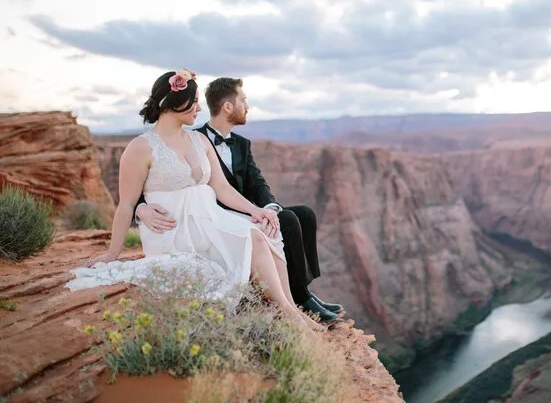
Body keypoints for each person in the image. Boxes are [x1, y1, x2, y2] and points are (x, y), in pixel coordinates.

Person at [66, 69, 321, 334]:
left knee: (264, 231)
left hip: (208, 218)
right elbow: (126, 204)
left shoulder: (199, 140)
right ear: (173, 103)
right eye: (194, 101)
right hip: (174, 230)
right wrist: (112, 254)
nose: (199, 108)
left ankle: (291, 309)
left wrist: (256, 211)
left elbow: (221, 188)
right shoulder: (140, 148)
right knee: (253, 238)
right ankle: (291, 315)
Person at [134, 77, 343, 322]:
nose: (248, 106)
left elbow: (257, 182)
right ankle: (298, 298)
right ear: (227, 107)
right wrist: (140, 207)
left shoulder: (242, 144)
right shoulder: (192, 139)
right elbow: (158, 179)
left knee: (304, 214)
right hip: (212, 215)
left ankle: (303, 291)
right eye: (243, 100)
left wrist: (268, 208)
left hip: (243, 208)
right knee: (286, 220)